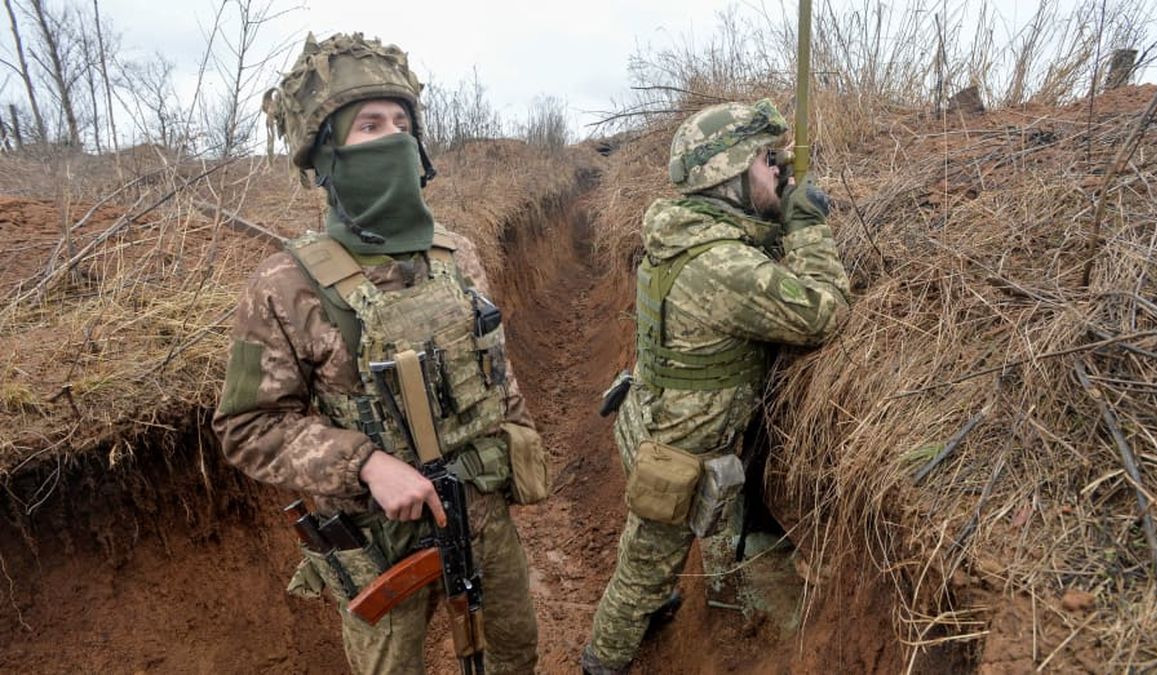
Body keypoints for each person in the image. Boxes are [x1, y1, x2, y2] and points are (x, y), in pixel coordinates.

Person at [212, 33, 544, 675]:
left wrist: (515, 450)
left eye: (402, 122)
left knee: (514, 653)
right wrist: (365, 464)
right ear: (327, 152)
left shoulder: (456, 255)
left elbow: (495, 373)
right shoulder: (286, 283)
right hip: (375, 535)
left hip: (479, 509)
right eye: (370, 125)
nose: (393, 138)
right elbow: (247, 426)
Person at [581, 99, 850, 674]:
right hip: (681, 450)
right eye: (763, 159)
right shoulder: (720, 265)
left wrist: (775, 214)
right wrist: (807, 226)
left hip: (657, 420)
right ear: (728, 173)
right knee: (646, 560)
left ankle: (660, 603)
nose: (776, 169)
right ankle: (602, 660)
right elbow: (822, 313)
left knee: (652, 546)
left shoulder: (680, 233)